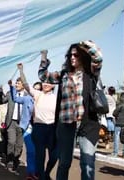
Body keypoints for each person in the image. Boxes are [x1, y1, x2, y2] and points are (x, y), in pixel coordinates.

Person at [38, 40, 103, 180]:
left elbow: (98, 58)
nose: (72, 57)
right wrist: (43, 57)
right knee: (64, 163)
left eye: (76, 55)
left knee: (87, 163)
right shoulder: (63, 75)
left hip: (88, 124)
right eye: (70, 55)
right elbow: (43, 76)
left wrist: (83, 43)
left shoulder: (90, 73)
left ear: (83, 56)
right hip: (66, 124)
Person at [18, 63, 58, 180]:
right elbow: (25, 85)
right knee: (40, 156)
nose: (46, 84)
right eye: (44, 82)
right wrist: (21, 71)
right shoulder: (37, 94)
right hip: (39, 128)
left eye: (49, 82)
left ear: (53, 85)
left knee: (54, 156)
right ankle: (41, 176)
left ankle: (46, 172)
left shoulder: (57, 98)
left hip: (52, 129)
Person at [8, 78, 36, 179]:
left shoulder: (39, 99)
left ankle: (36, 171)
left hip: (40, 127)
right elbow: (14, 98)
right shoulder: (25, 98)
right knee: (28, 149)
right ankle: (30, 172)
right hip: (23, 125)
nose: (16, 84)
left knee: (34, 150)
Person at [0, 78, 26, 175]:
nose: (17, 84)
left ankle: (15, 159)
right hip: (11, 122)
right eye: (16, 83)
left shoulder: (27, 95)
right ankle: (9, 160)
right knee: (11, 142)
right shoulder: (10, 94)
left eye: (19, 83)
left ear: (23, 85)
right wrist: (0, 91)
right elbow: (1, 101)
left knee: (19, 144)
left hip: (22, 123)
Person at [112, 92, 124, 158]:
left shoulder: (120, 104)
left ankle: (115, 153)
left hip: (119, 123)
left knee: (116, 137)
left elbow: (114, 113)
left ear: (121, 97)